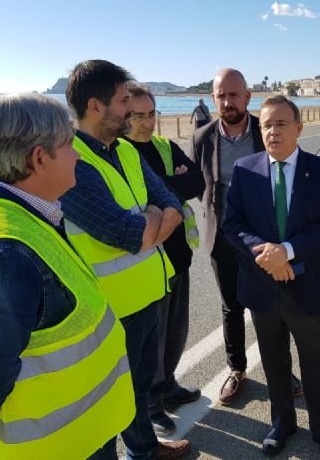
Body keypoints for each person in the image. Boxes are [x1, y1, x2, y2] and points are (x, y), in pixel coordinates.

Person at [0, 93, 135, 459]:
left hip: (82, 436)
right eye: (69, 144)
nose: (77, 155)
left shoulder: (28, 212)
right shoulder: (5, 255)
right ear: (39, 158)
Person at [60, 60, 190, 459]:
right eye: (122, 103)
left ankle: (145, 450)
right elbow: (126, 234)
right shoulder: (73, 162)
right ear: (96, 106)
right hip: (109, 313)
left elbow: (171, 202)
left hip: (147, 297)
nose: (131, 112)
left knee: (136, 389)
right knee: (103, 405)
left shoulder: (126, 152)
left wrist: (153, 221)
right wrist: (153, 223)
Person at [223, 94, 320, 460]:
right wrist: (266, 253)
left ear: (299, 127)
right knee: (274, 361)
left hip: (309, 285)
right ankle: (282, 423)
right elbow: (232, 223)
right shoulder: (246, 169)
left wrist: (289, 250)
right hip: (263, 285)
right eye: (266, 125)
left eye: (281, 124)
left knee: (317, 363)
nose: (273, 131)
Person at [189, 68, 302, 406]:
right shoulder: (201, 137)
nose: (228, 102)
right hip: (222, 238)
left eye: (234, 95)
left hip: (264, 238)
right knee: (231, 307)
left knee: (272, 305)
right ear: (213, 99)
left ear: (247, 97)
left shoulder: (264, 130)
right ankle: (237, 368)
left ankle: (280, 368)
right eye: (221, 96)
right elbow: (199, 185)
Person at [123, 85, 205, 436]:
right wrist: (173, 184)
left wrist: (163, 188)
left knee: (175, 330)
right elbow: (144, 197)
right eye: (138, 116)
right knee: (149, 343)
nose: (147, 122)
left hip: (178, 254)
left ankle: (168, 385)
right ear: (124, 117)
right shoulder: (120, 153)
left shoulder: (163, 146)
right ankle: (151, 404)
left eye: (151, 114)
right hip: (150, 260)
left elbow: (198, 181)